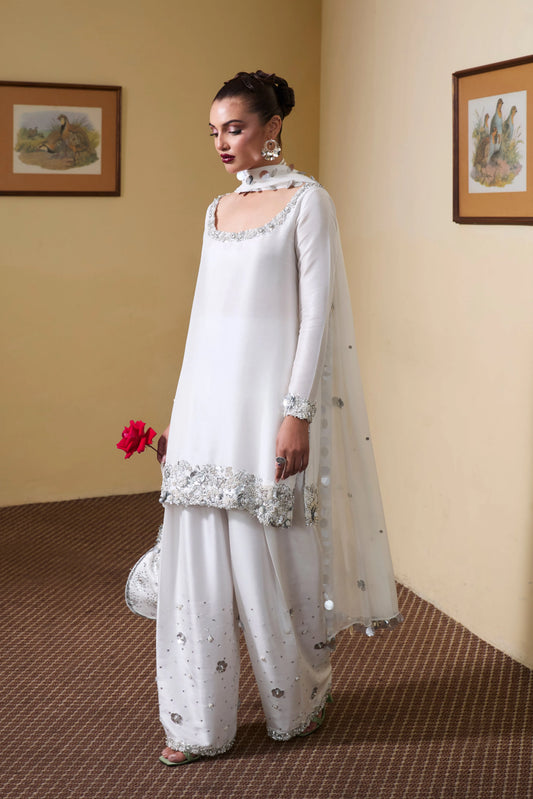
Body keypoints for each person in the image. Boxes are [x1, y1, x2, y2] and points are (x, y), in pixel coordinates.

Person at [154, 70, 401, 765]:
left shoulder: (307, 203)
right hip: (207, 409)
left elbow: (316, 315)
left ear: (271, 127)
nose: (222, 144)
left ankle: (297, 701)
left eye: (233, 128)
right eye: (214, 132)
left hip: (268, 409)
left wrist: (295, 415)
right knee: (197, 566)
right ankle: (197, 724)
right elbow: (203, 323)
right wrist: (180, 415)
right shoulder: (214, 211)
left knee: (275, 561)